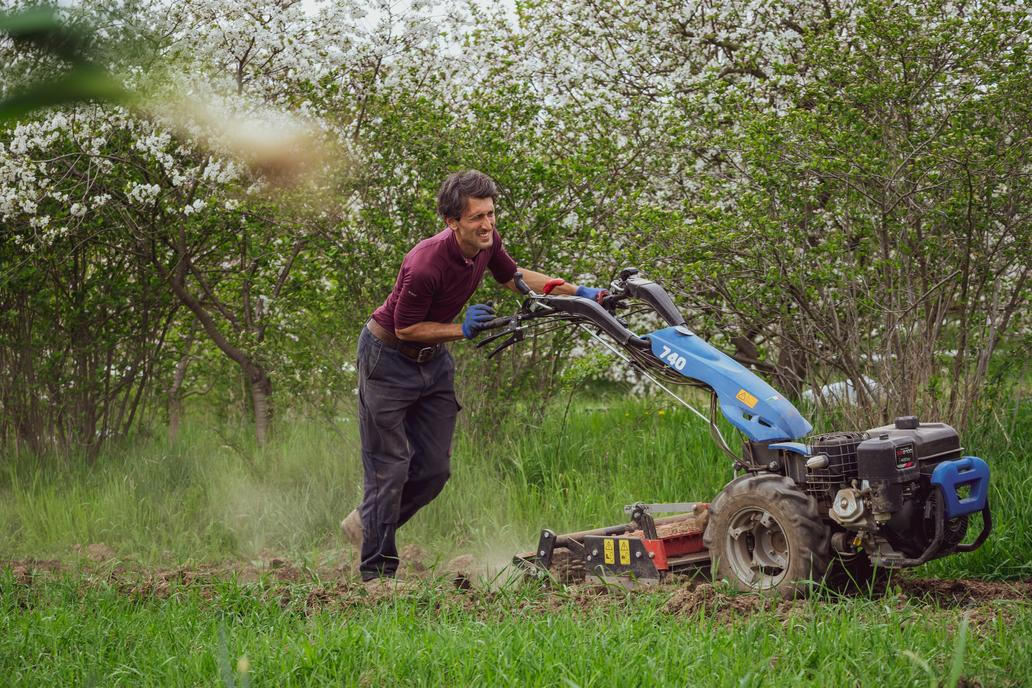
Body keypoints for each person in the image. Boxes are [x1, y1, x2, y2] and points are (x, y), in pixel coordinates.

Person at [340, 169, 606, 582]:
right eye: (476, 217)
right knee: (389, 468)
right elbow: (406, 327)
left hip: (432, 363)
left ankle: (366, 522)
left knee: (432, 472)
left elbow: (511, 278)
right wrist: (461, 330)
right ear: (452, 222)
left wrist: (577, 292)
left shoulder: (487, 244)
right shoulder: (424, 263)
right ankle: (377, 576)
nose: (487, 224)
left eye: (491, 213)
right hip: (387, 360)